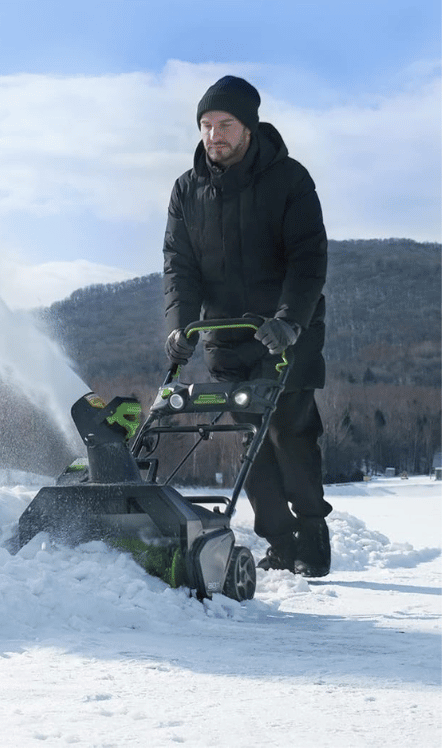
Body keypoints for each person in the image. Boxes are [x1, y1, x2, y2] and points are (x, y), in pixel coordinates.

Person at [162, 75, 333, 578]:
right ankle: (278, 542)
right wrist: (180, 329)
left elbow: (308, 260)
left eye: (225, 125)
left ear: (249, 128)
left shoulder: (289, 180)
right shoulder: (186, 190)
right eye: (206, 125)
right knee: (252, 441)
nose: (214, 135)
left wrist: (288, 321)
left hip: (286, 334)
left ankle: (312, 535)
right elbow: (179, 267)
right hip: (226, 336)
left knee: (290, 435)